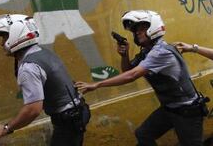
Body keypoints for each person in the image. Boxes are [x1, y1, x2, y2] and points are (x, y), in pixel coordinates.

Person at [76, 10, 208, 146]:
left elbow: (132, 76)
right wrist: (124, 56)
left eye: (141, 28)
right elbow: (128, 70)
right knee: (143, 134)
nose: (137, 32)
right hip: (169, 109)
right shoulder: (147, 53)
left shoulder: (161, 52)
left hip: (187, 111)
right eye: (135, 30)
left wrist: (96, 85)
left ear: (154, 28)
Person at [0, 14, 90, 146]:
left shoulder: (29, 67)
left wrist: (7, 127)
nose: (2, 43)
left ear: (17, 34)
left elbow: (33, 109)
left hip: (67, 119)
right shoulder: (42, 52)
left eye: (5, 37)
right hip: (77, 112)